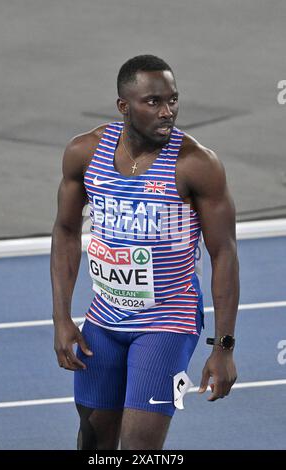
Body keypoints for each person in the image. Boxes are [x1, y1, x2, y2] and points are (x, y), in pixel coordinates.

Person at [50, 54, 239, 450]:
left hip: (168, 321)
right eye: (153, 102)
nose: (167, 111)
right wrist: (61, 318)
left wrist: (222, 348)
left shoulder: (196, 165)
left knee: (140, 448)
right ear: (124, 106)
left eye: (172, 100)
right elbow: (66, 231)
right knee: (92, 441)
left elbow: (223, 252)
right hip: (103, 319)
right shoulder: (84, 154)